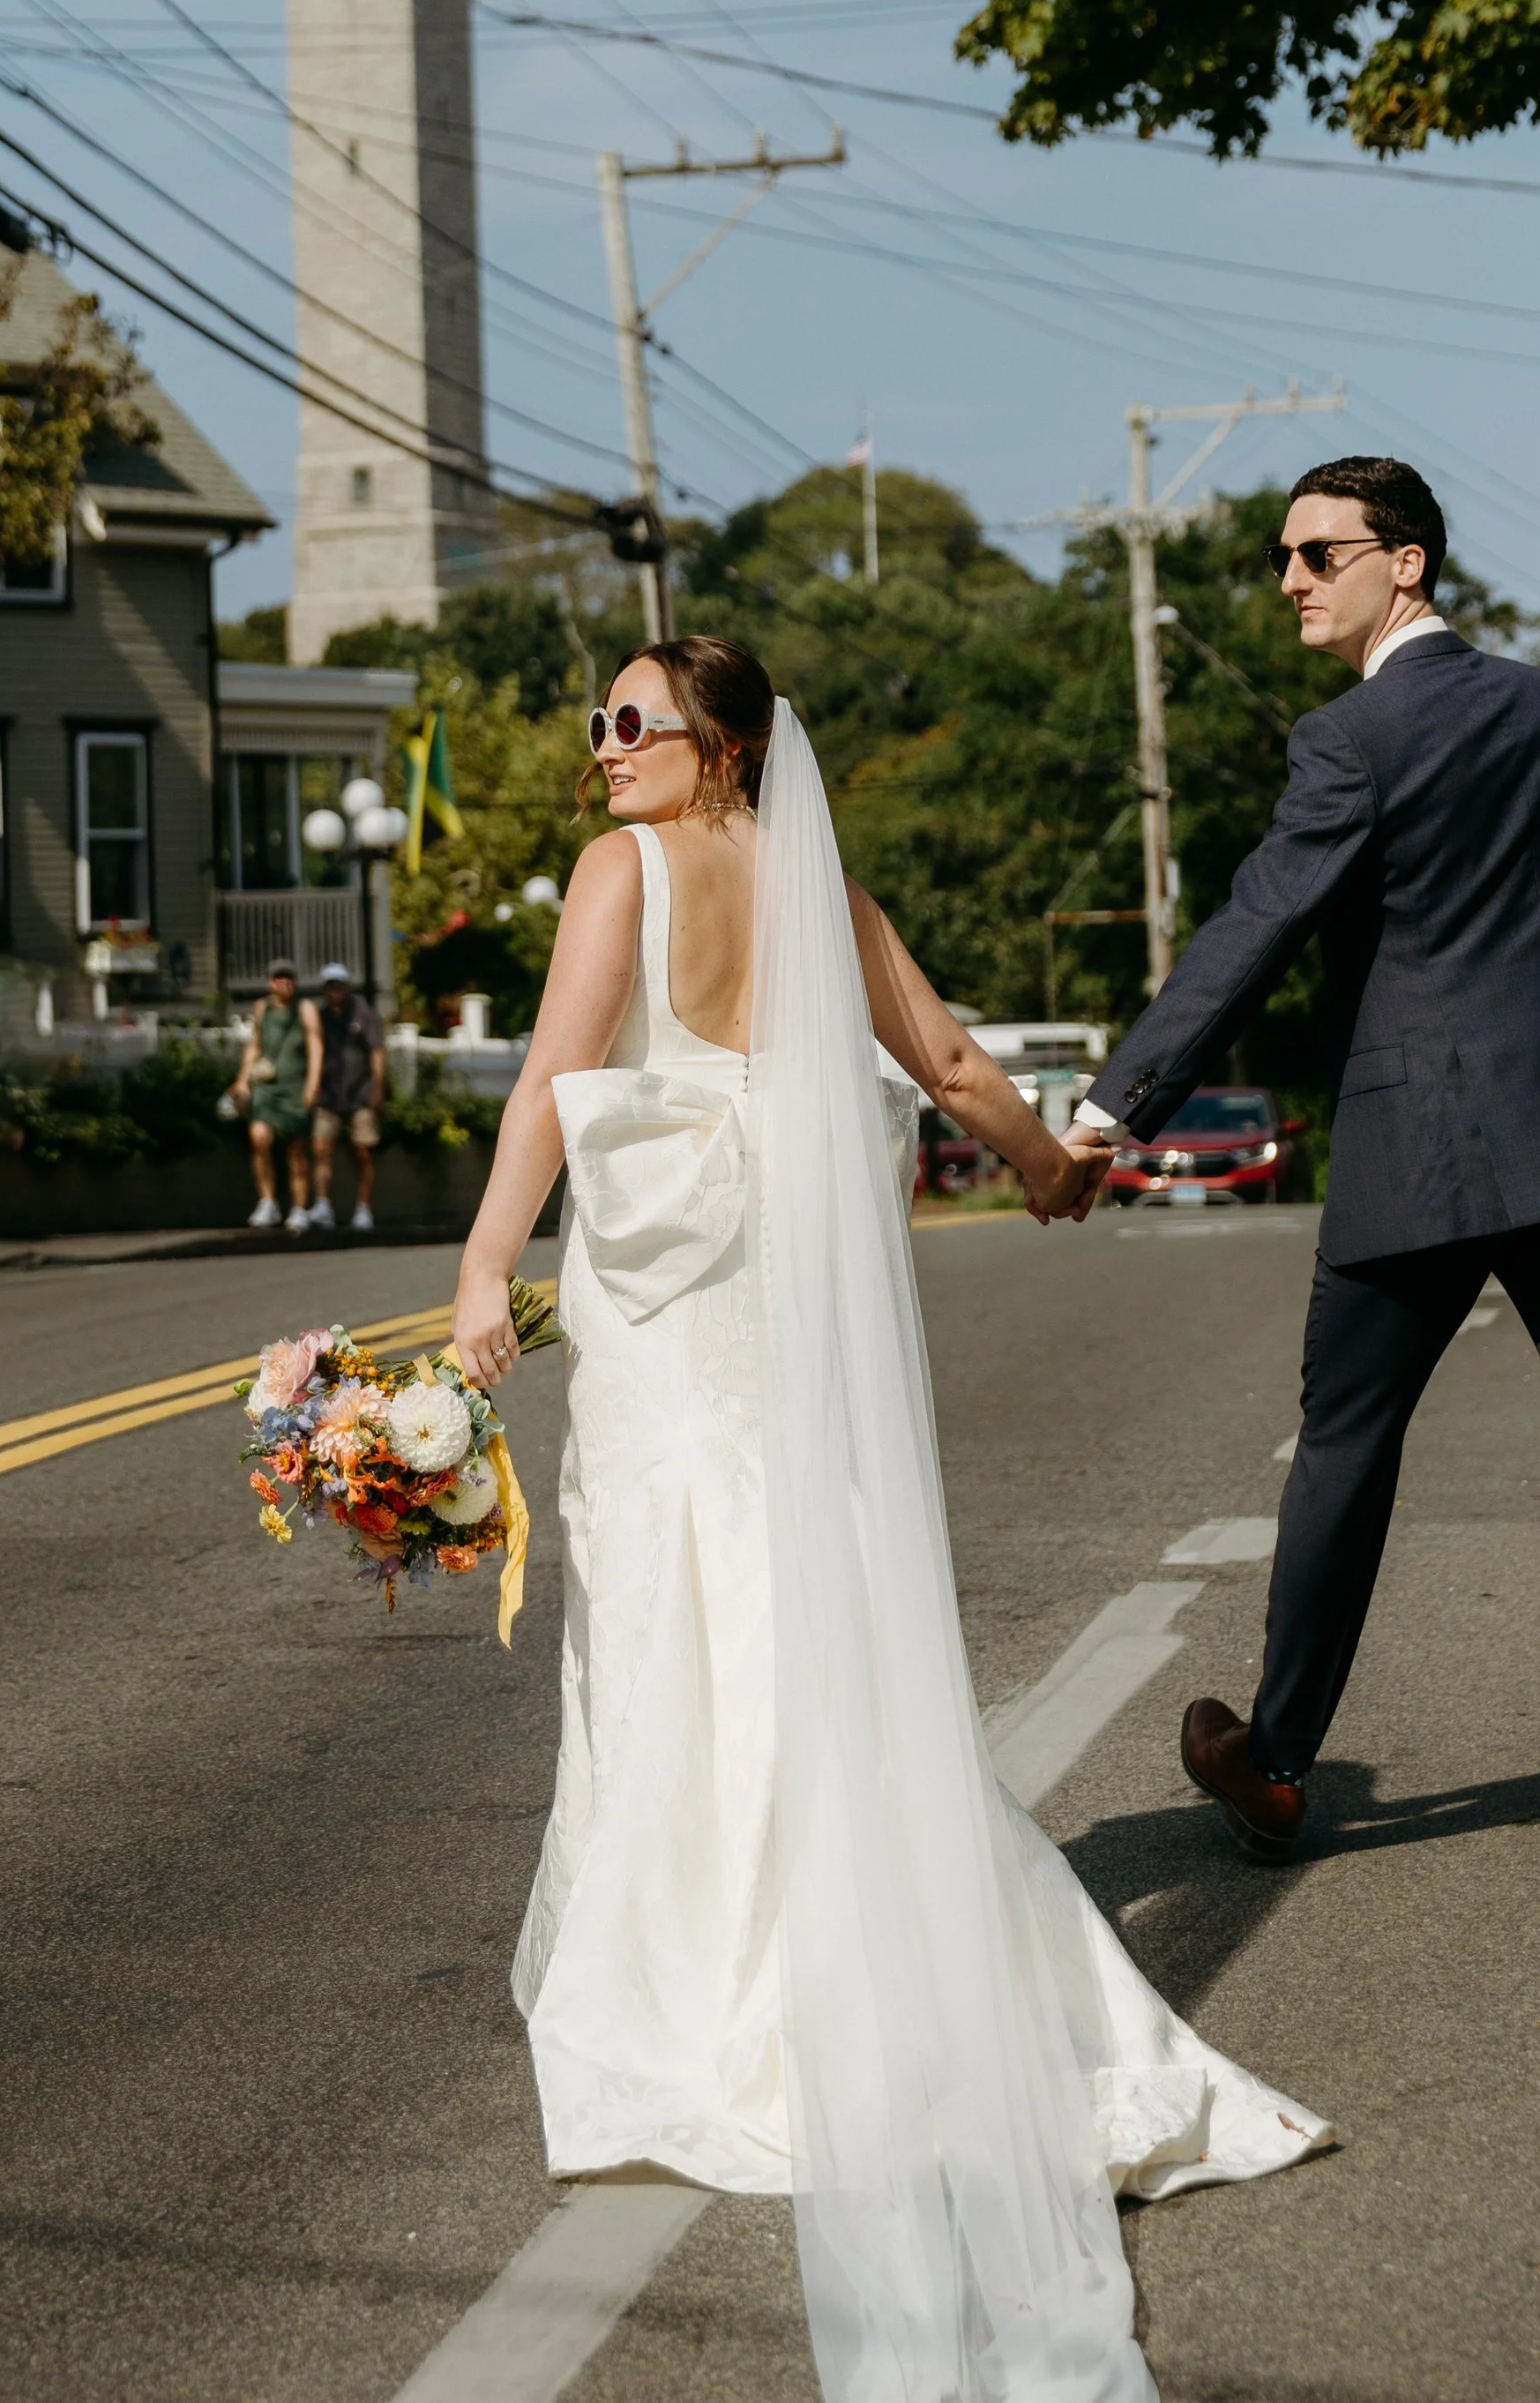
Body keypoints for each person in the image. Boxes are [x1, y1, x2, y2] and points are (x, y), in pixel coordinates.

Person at [452, 634, 1328, 2401]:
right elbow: (940, 1057)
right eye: (593, 726)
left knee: (668, 1629)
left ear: (715, 750)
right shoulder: (819, 899)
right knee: (796, 1617)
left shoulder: (617, 873)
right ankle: (841, 1952)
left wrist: (480, 1262)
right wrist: (1042, 1164)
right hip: (770, 1345)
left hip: (669, 1336)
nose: (594, 752)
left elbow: (553, 1075)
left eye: (627, 725)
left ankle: (708, 1995)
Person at [1065, 456, 1540, 1942]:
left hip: (1422, 1163)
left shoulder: (1354, 741)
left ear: (1411, 564)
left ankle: (1274, 1764)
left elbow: (1253, 932)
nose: (1290, 581)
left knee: (1343, 1454)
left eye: (1319, 554)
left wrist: (1104, 1109)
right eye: (1284, 556)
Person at [230, 959, 321, 1231]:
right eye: (278, 978)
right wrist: (242, 1079)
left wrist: (313, 1085)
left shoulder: (305, 1009)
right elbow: (254, 1046)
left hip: (295, 1085)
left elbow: (316, 1047)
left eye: (288, 978)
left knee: (297, 1150)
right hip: (267, 1086)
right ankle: (267, 1201)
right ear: (270, 982)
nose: (284, 983)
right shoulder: (262, 1008)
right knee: (259, 1138)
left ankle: (299, 1207)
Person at [309, 962, 385, 1235]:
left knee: (363, 1152)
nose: (335, 991)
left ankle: (363, 1208)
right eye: (330, 986)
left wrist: (378, 1086)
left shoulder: (362, 1013)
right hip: (329, 1094)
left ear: (346, 987)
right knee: (320, 1148)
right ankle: (322, 1205)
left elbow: (376, 1051)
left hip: (360, 1092)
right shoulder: (319, 1017)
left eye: (339, 985)